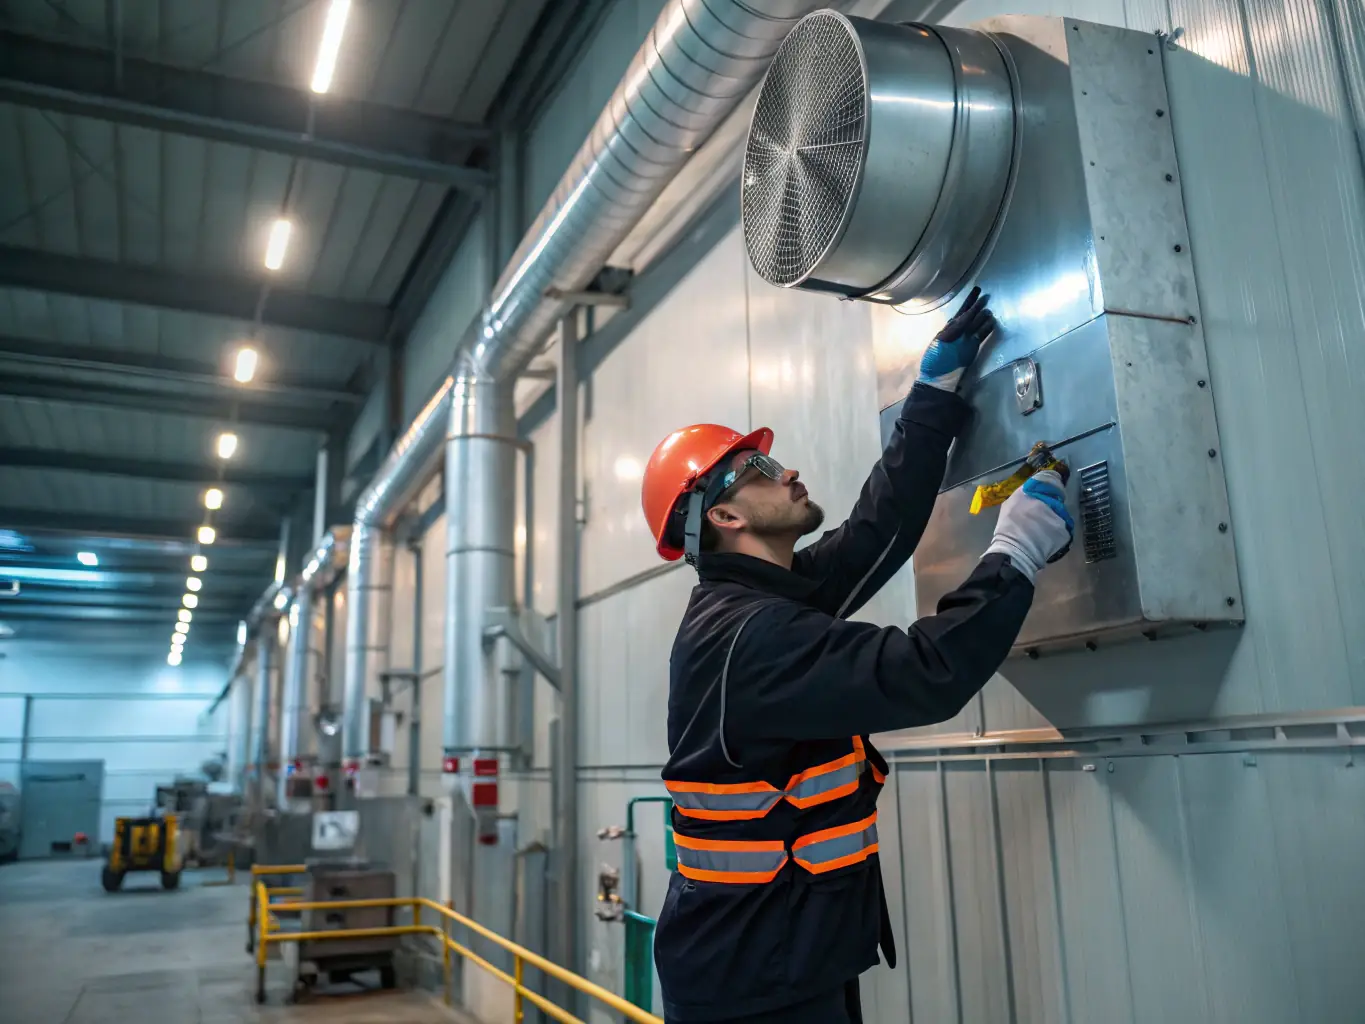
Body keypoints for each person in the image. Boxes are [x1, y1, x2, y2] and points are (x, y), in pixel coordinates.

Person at [638, 289, 1074, 1023]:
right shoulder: (751, 637)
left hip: (780, 957)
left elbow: (877, 532)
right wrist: (1015, 550)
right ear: (723, 515)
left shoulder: (764, 600)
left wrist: (932, 394)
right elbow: (923, 675)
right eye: (759, 470)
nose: (786, 472)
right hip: (753, 986)